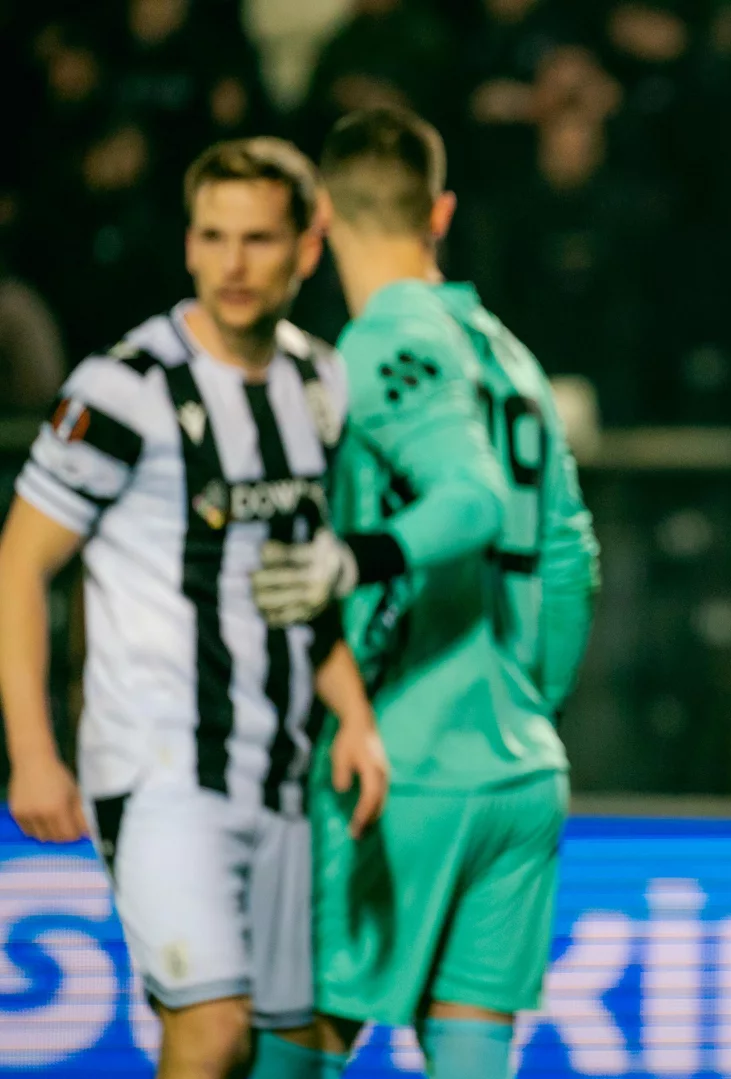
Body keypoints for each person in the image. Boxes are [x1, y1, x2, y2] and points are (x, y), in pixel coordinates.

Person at [0, 137, 389, 1079]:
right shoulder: (123, 386)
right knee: (211, 1031)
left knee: (289, 1055)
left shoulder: (319, 382)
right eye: (212, 236)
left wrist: (356, 717)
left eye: (257, 238)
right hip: (158, 761)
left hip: (284, 774)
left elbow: (293, 583)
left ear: (308, 243)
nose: (232, 263)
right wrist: (34, 754)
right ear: (188, 245)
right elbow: (18, 565)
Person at [248, 106, 599, 1079]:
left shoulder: (377, 345)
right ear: (439, 211)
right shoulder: (510, 355)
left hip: (397, 762)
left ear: (318, 219)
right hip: (521, 769)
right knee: (471, 1052)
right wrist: (531, 702)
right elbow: (574, 559)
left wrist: (352, 558)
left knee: (299, 1039)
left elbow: (474, 497)